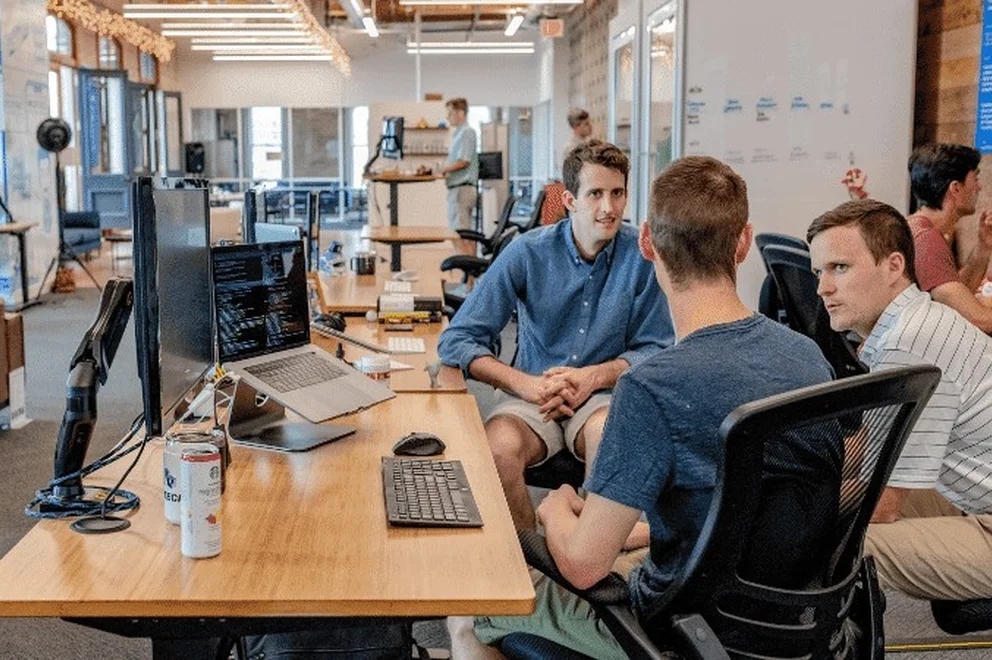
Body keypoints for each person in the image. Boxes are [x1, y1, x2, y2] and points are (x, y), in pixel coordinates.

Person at [449, 156, 839, 658]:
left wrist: (556, 509)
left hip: (674, 632)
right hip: (790, 626)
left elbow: (584, 567)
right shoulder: (808, 356)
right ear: (744, 242)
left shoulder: (652, 389)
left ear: (648, 242)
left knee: (466, 605)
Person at [437, 140, 673, 532]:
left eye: (617, 193)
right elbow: (458, 339)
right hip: (531, 393)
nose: (608, 208)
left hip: (601, 397)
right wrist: (524, 384)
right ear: (569, 199)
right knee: (497, 451)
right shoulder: (527, 252)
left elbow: (658, 349)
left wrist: (592, 377)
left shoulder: (642, 256)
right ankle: (532, 561)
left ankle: (585, 559)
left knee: (610, 442)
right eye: (595, 194)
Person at [808, 198, 992, 601]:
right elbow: (872, 448)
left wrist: (777, 511)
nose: (823, 288)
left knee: (848, 542)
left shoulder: (908, 344)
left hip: (985, 519)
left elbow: (882, 505)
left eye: (840, 268)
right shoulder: (914, 323)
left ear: (893, 266)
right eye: (819, 272)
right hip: (973, 499)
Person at [905, 143, 992, 332]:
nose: (979, 187)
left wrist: (984, 247)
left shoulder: (917, 227)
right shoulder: (926, 240)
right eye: (975, 178)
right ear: (955, 188)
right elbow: (978, 319)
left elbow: (958, 296)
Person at [440, 98, 479, 255]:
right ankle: (465, 273)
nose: (448, 117)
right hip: (457, 189)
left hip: (463, 189)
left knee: (462, 234)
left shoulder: (467, 132)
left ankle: (469, 276)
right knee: (457, 233)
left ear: (461, 113)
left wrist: (443, 169)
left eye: (450, 113)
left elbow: (464, 161)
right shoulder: (458, 134)